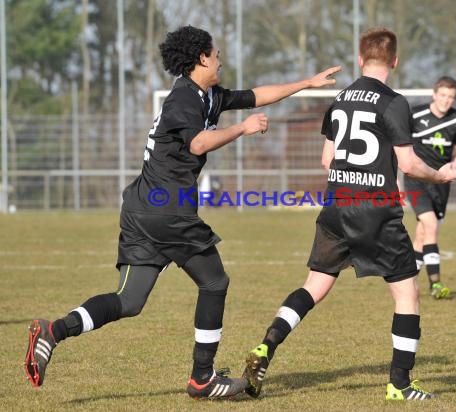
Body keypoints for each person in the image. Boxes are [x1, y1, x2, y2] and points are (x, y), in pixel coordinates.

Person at [24, 25, 341, 399]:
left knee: (130, 301)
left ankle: (53, 331)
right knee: (215, 282)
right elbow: (198, 143)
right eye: (216, 52)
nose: (221, 57)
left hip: (142, 209)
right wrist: (242, 128)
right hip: (168, 212)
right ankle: (202, 378)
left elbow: (256, 96)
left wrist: (306, 83)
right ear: (201, 59)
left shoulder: (206, 95)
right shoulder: (183, 101)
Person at [241, 27, 456, 401]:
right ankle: (400, 384)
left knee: (315, 286)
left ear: (360, 59)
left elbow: (327, 159)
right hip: (375, 209)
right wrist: (439, 173)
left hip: (337, 205)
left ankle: (266, 346)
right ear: (395, 61)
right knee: (407, 292)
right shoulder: (394, 102)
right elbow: (407, 163)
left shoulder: (340, 99)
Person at [403, 76, 456, 299]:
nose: (446, 100)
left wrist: (455, 164)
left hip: (442, 183)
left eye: (451, 97)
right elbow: (400, 145)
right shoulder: (415, 114)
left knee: (422, 234)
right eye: (442, 95)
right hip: (417, 178)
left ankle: (409, 281)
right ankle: (436, 284)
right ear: (434, 94)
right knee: (430, 225)